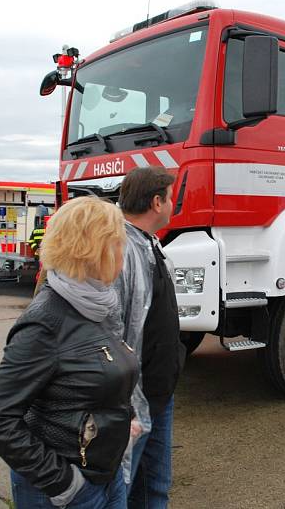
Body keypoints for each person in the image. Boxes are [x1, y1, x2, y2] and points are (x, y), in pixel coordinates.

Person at [0, 197, 138, 509]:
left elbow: (101, 372)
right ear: (93, 249)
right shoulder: (45, 322)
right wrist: (64, 484)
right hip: (69, 489)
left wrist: (123, 416)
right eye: (118, 244)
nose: (123, 253)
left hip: (107, 473)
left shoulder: (98, 303)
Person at [115, 166, 185, 509]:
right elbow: (112, 330)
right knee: (123, 489)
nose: (174, 204)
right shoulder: (122, 250)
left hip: (158, 393)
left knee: (155, 489)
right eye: (170, 197)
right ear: (157, 202)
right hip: (133, 399)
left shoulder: (150, 244)